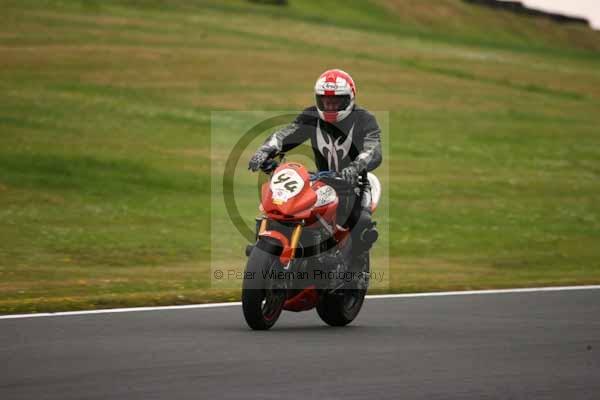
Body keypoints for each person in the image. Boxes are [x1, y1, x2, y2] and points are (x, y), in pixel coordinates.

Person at [248, 69, 382, 270]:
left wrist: (355, 168)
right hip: (322, 180)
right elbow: (287, 134)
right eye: (325, 101)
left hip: (356, 183)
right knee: (290, 210)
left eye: (336, 101)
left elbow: (373, 149)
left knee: (361, 223)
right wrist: (265, 150)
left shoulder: (364, 119)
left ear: (350, 99)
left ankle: (354, 273)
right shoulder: (311, 116)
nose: (330, 106)